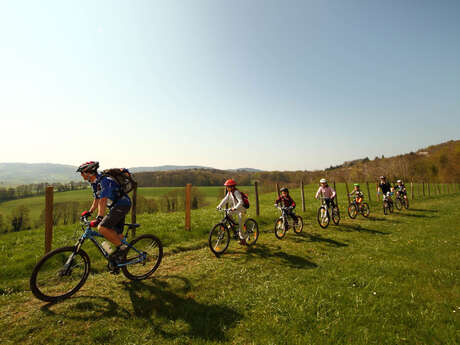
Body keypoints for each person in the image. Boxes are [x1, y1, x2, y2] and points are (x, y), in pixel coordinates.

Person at [77, 161, 132, 263]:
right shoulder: (95, 183)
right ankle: (122, 261)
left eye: (82, 173)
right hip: (116, 207)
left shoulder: (104, 181)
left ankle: (122, 249)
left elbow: (103, 200)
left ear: (89, 172)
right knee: (117, 234)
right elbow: (97, 199)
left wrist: (99, 217)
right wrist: (89, 212)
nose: (81, 175)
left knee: (102, 228)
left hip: (122, 205)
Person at [217, 179, 247, 244]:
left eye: (228, 186)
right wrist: (219, 206)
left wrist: (235, 208)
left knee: (240, 224)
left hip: (241, 210)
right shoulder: (229, 193)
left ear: (232, 187)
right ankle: (232, 224)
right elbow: (225, 200)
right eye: (226, 186)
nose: (227, 188)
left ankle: (243, 239)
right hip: (235, 209)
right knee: (228, 214)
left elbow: (241, 201)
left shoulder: (236, 192)